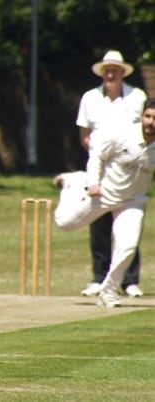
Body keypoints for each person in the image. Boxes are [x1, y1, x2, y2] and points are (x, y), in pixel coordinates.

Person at [54, 98, 155, 307]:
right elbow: (97, 156)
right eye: (148, 116)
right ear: (142, 116)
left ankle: (108, 292)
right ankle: (74, 181)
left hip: (132, 200)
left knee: (127, 246)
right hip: (103, 193)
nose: (151, 122)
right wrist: (92, 183)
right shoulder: (122, 134)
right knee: (64, 223)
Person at [75, 49, 147, 298]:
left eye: (115, 70)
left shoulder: (137, 97)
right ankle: (98, 277)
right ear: (102, 72)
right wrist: (102, 157)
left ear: (122, 72)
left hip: (129, 169)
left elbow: (144, 134)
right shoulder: (90, 98)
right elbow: (84, 136)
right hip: (100, 167)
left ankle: (130, 281)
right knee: (99, 223)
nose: (110, 74)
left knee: (127, 224)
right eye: (107, 70)